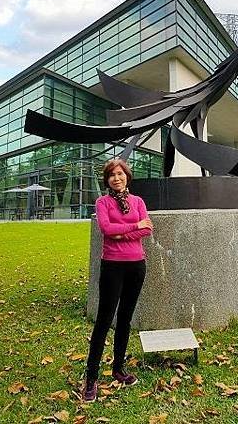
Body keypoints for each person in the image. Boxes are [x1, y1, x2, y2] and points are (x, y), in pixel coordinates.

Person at [81, 158, 153, 402]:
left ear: (127, 176)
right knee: (104, 320)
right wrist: (132, 226)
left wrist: (121, 230)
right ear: (107, 180)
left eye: (120, 174)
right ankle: (91, 377)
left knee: (125, 318)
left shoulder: (138, 201)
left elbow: (147, 230)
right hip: (112, 266)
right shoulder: (103, 202)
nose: (116, 178)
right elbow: (106, 229)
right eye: (112, 175)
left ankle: (118, 369)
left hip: (136, 266)